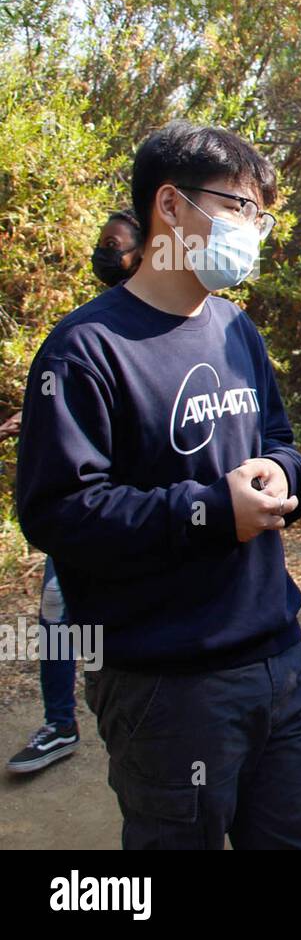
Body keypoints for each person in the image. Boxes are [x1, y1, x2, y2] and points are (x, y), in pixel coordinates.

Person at [15, 120, 301, 849]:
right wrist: (211, 512)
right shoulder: (87, 349)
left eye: (261, 213)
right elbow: (58, 511)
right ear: (170, 206)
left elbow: (281, 443)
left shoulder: (235, 330)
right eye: (240, 207)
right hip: (165, 682)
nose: (254, 228)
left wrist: (283, 475)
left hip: (278, 659)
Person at [8, 209, 147, 775]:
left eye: (113, 244)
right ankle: (61, 723)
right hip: (88, 514)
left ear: (145, 252)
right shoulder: (85, 330)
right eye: (100, 244)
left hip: (137, 513)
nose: (103, 253)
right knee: (57, 613)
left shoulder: (182, 325)